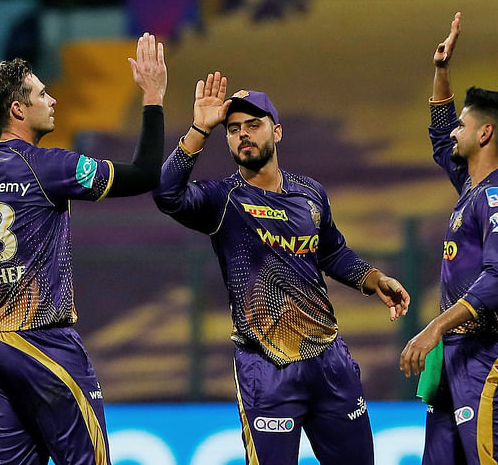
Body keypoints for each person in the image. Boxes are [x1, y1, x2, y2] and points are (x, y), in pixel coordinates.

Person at [153, 72, 410, 464]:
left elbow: (332, 252)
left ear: (277, 132)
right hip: (266, 368)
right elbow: (167, 193)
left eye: (253, 125)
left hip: (328, 362)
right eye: (234, 128)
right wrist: (197, 131)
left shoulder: (310, 193)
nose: (243, 134)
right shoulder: (222, 200)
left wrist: (374, 279)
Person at [0, 32, 166, 465]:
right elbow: (144, 174)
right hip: (46, 344)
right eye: (43, 94)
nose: (53, 101)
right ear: (17, 110)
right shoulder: (47, 166)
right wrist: (153, 96)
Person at [399, 12, 498, 464]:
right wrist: (441, 73)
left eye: (463, 125)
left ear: (486, 133)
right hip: (452, 356)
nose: (454, 129)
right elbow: (440, 138)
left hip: (485, 353)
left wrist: (434, 327)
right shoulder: (471, 187)